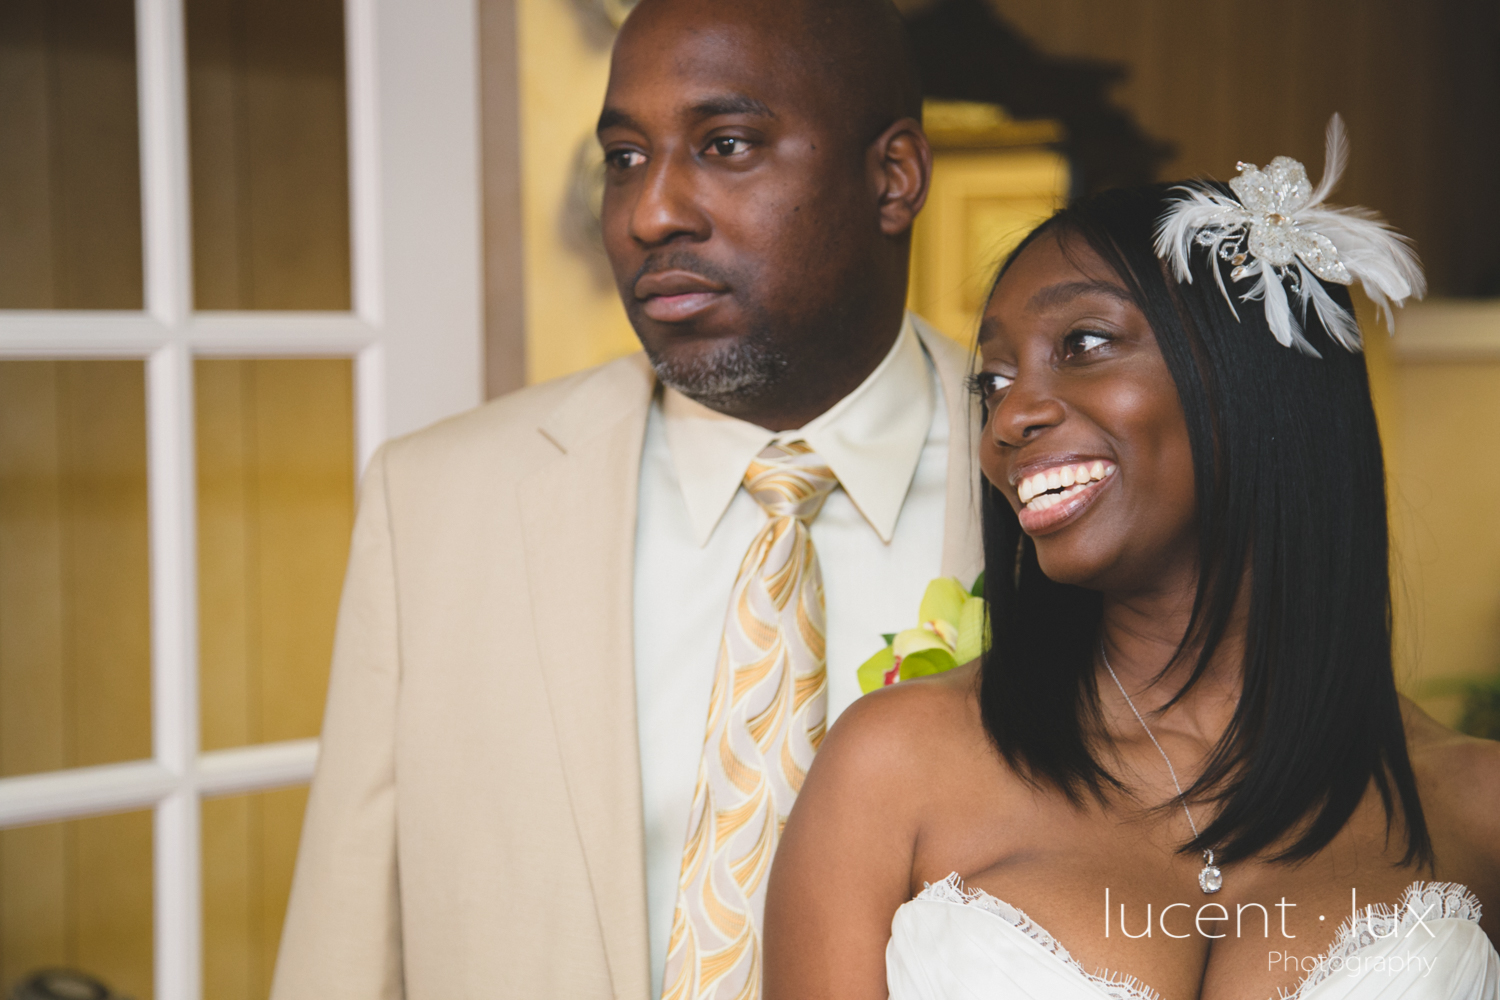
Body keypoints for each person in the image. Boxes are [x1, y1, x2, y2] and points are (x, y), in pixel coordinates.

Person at [269, 1, 981, 998]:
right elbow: (344, 954)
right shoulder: (434, 505)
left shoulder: (1055, 494)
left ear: (892, 176)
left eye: (725, 144)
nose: (652, 213)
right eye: (625, 158)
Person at [764, 127, 1500, 999]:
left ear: (1249, 376)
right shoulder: (893, 766)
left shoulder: (1475, 804)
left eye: (1081, 343)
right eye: (991, 383)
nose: (1009, 420)